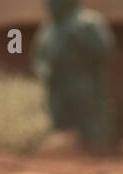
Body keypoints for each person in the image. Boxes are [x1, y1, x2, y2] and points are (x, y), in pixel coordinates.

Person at [32, 0, 116, 148]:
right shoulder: (48, 30)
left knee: (91, 126)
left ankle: (97, 149)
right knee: (62, 129)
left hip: (84, 85)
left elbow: (105, 49)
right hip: (58, 88)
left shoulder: (87, 23)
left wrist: (80, 39)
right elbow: (39, 57)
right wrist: (44, 72)